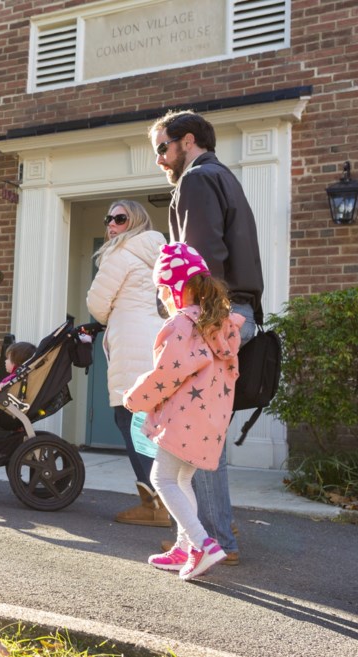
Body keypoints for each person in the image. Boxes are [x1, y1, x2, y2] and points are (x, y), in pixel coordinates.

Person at [148, 109, 265, 566]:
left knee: (193, 428)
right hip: (237, 312)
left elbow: (201, 257)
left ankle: (213, 539)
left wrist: (189, 315)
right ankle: (203, 535)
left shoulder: (197, 181)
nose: (160, 159)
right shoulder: (225, 179)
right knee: (203, 426)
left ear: (187, 140)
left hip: (215, 314)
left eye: (163, 147)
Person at [124, 243, 243, 580]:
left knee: (160, 478)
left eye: (163, 288)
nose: (161, 296)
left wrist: (135, 398)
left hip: (182, 420)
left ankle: (203, 544)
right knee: (182, 479)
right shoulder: (220, 325)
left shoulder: (182, 325)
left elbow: (167, 375)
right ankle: (183, 547)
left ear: (178, 288)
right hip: (210, 421)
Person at [85, 200, 169, 527]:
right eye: (108, 218)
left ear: (135, 221)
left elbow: (96, 303)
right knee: (152, 424)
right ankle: (167, 500)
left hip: (131, 346)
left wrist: (113, 317)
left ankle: (155, 503)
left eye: (120, 218)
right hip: (158, 343)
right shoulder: (160, 254)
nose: (111, 224)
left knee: (129, 420)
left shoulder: (119, 253)